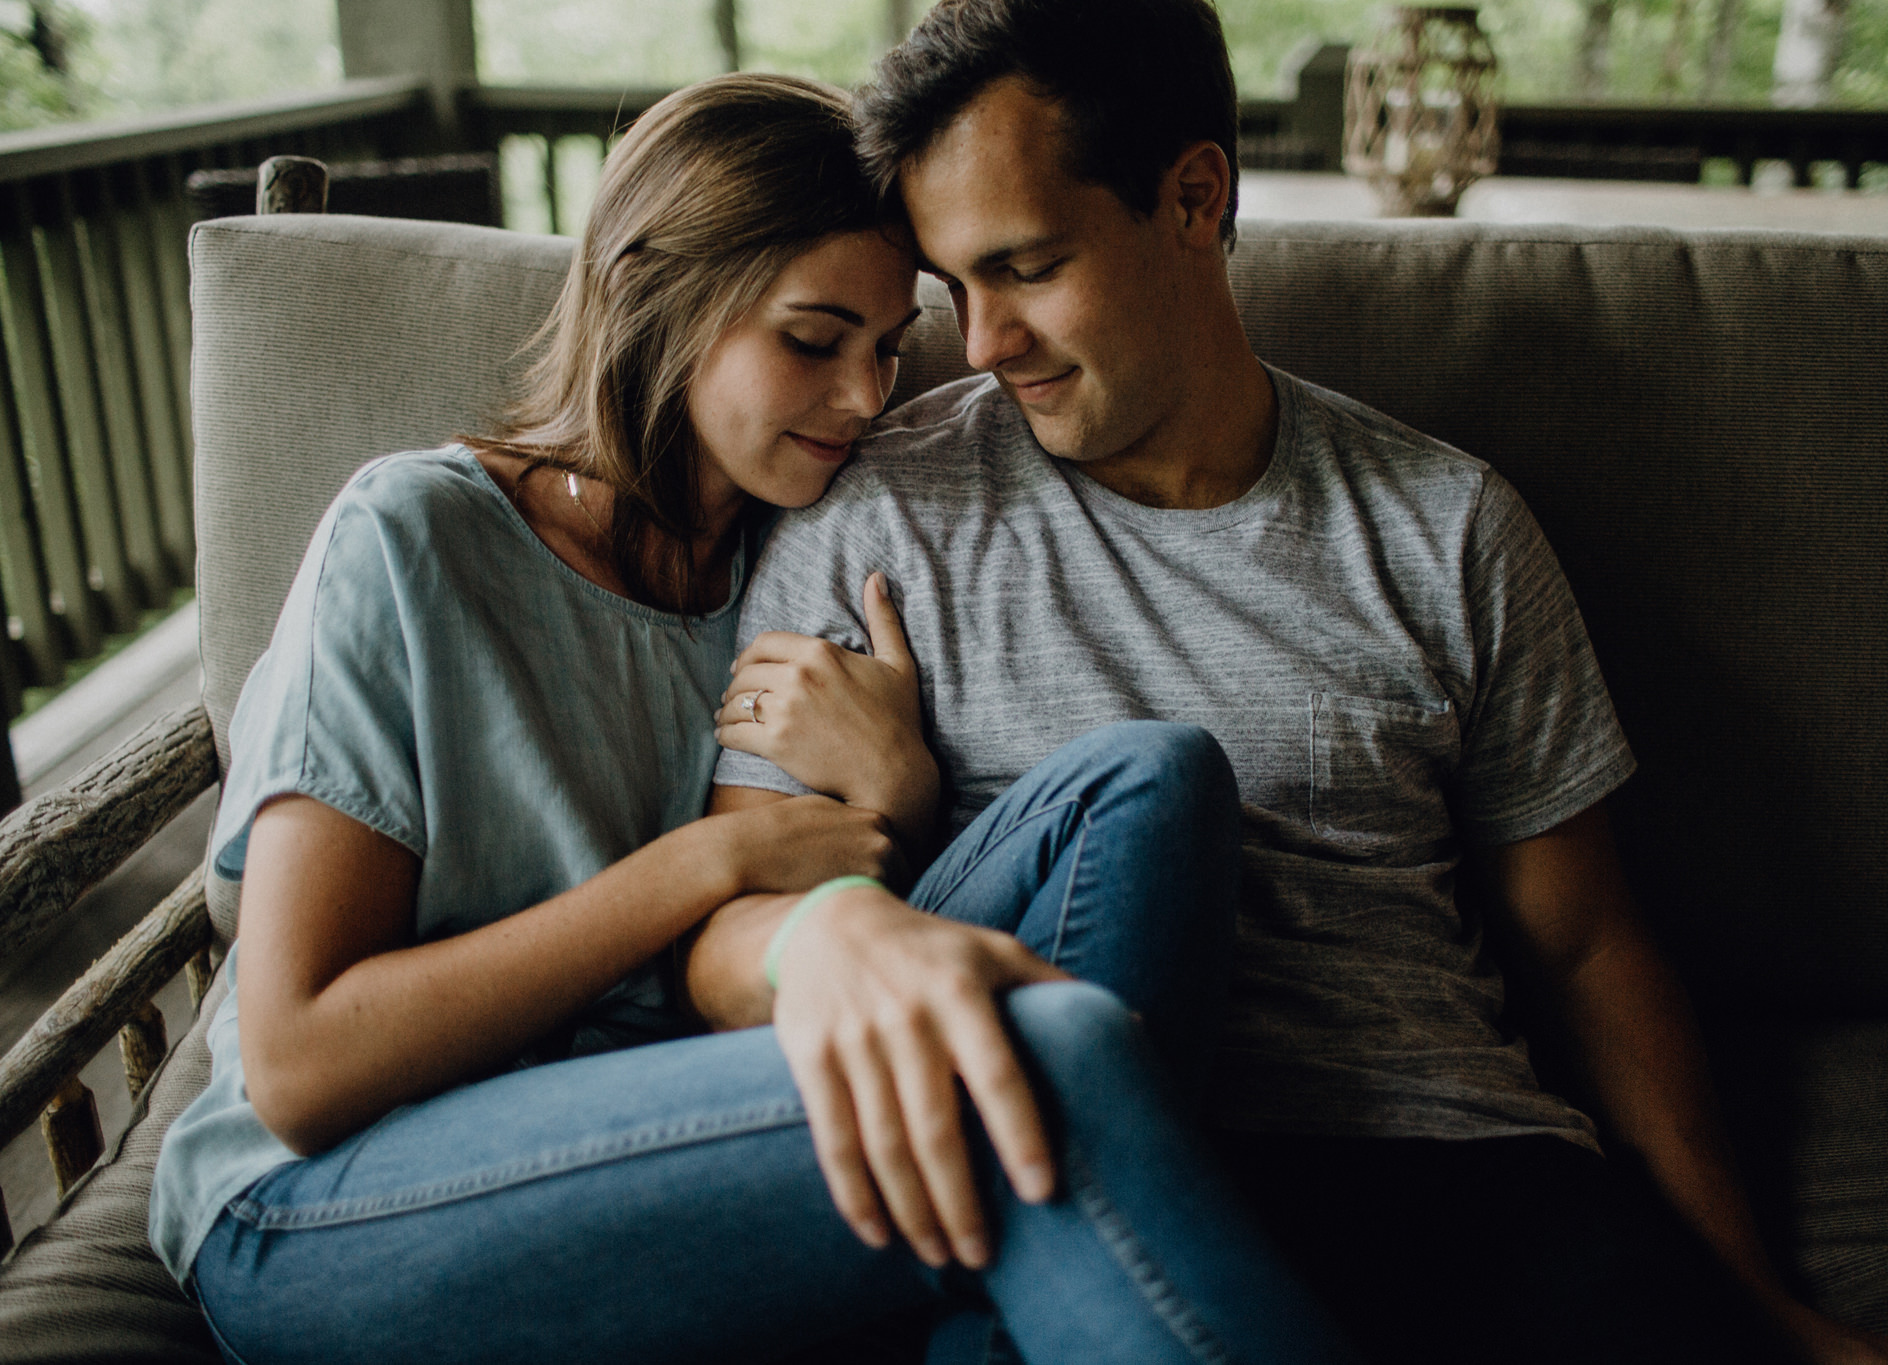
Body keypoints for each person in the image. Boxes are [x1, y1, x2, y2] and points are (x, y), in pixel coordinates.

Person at [702, 3, 1888, 1363]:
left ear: (1195, 197)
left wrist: (1760, 1302)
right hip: (1106, 1152)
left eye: (1029, 266)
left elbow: (1586, 944)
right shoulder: (877, 515)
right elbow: (725, 948)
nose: (986, 340)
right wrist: (861, 887)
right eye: (956, 286)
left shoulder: (1447, 524)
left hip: (1462, 1168)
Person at [147, 73, 1356, 1365]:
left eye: (887, 348)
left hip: (688, 1141)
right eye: (811, 339)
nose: (860, 398)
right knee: (1030, 1061)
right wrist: (705, 861)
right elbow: (299, 1061)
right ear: (653, 286)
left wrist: (902, 798)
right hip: (330, 1203)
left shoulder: (787, 564)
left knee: (1153, 783)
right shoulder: (414, 539)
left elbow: (801, 926)